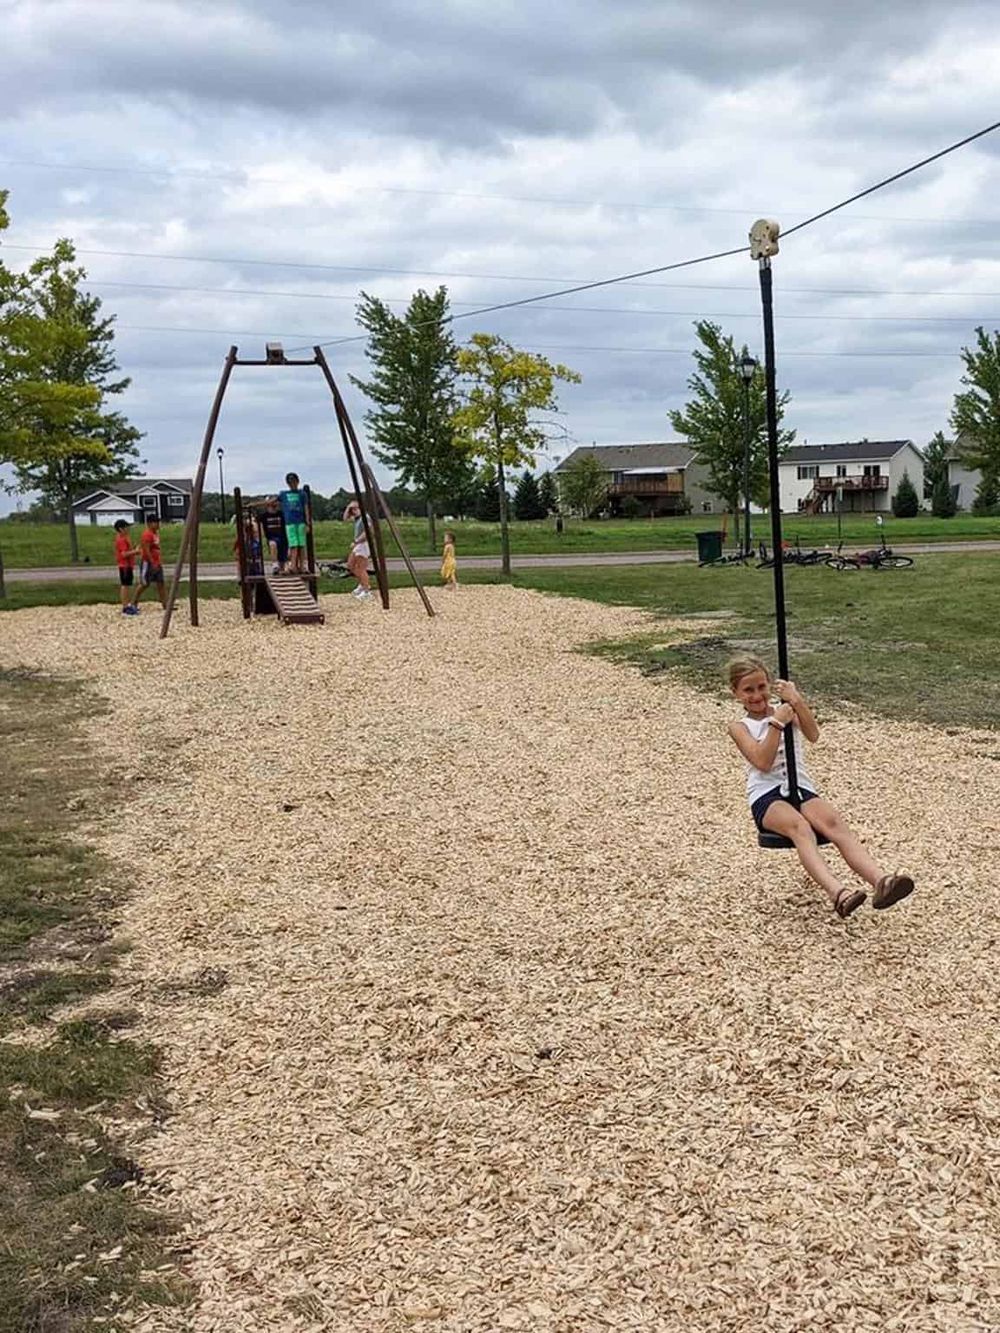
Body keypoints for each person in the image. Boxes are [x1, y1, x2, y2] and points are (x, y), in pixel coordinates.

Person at [727, 655, 915, 919]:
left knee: (834, 823)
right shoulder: (739, 727)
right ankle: (838, 893)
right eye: (748, 690)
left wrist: (796, 701)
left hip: (800, 787)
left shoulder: (787, 709)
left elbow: (813, 735)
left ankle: (881, 882)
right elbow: (763, 762)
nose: (757, 695)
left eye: (761, 687)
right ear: (735, 692)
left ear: (770, 684)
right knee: (800, 828)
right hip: (766, 795)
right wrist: (776, 723)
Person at [132, 516, 166, 610]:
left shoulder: (155, 534)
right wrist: (152, 562)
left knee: (161, 583)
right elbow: (146, 550)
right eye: (156, 523)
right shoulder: (147, 534)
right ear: (150, 524)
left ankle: (165, 604)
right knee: (144, 583)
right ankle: (134, 603)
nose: (158, 525)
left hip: (157, 561)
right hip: (148, 562)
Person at [279, 473, 308, 575]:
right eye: (290, 482)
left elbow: (306, 508)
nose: (292, 484)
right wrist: (255, 504)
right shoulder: (284, 494)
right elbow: (272, 501)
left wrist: (308, 523)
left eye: (294, 482)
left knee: (301, 545)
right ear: (287, 483)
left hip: (300, 522)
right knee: (293, 545)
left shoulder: (302, 494)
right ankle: (293, 566)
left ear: (297, 482)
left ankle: (302, 566)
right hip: (290, 523)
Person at [344, 499, 373, 600]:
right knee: (350, 565)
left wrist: (356, 541)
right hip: (358, 544)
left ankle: (366, 591)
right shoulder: (357, 518)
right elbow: (345, 518)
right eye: (353, 510)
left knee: (361, 568)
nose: (354, 511)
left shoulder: (365, 518)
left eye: (356, 509)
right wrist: (348, 507)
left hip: (363, 544)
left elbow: (367, 532)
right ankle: (362, 584)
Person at [113, 519, 140, 616]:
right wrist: (136, 552)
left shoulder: (125, 538)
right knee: (125, 585)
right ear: (121, 529)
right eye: (126, 527)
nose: (128, 529)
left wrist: (134, 549)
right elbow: (123, 554)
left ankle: (128, 604)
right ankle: (125, 607)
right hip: (124, 566)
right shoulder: (121, 540)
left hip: (128, 565)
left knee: (128, 585)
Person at [260, 497, 288, 574]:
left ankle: (281, 570)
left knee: (282, 557)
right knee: (273, 545)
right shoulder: (264, 516)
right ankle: (275, 565)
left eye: (275, 504)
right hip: (271, 537)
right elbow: (256, 521)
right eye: (271, 504)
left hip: (283, 537)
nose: (273, 506)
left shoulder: (281, 514)